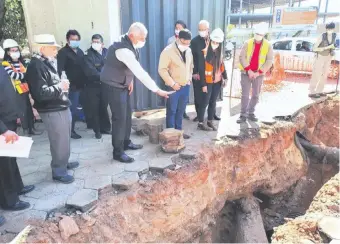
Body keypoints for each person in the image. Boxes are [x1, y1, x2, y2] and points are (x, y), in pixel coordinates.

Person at [100, 22, 171, 163]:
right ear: (131, 35)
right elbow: (140, 72)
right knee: (119, 119)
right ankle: (118, 152)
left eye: (145, 38)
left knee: (127, 115)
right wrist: (157, 90)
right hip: (113, 86)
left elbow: (127, 67)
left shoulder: (128, 42)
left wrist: (129, 80)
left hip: (123, 83)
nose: (143, 41)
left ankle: (126, 142)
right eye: (141, 38)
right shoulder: (123, 49)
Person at [26, 34, 79, 184]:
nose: (56, 51)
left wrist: (61, 84)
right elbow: (40, 93)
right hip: (51, 109)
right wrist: (60, 86)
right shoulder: (35, 66)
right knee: (58, 140)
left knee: (64, 139)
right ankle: (58, 171)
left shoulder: (46, 62)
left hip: (60, 105)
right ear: (42, 49)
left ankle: (63, 162)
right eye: (53, 48)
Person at [0, 53, 35, 211]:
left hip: (9, 120)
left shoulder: (2, 67)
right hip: (3, 127)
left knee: (11, 159)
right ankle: (9, 201)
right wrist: (3, 129)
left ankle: (17, 187)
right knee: (4, 165)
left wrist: (16, 116)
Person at [2, 39, 42, 136]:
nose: (15, 53)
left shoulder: (22, 62)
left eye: (17, 50)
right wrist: (24, 74)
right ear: (7, 52)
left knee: (29, 110)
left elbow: (26, 75)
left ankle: (32, 128)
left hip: (25, 89)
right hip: (16, 92)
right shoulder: (6, 64)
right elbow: (15, 76)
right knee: (22, 111)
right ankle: (26, 130)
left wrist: (24, 74)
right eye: (13, 51)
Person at [159, 29, 193, 138]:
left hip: (185, 86)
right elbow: (162, 70)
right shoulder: (167, 51)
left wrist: (189, 79)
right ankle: (171, 135)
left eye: (188, 43)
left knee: (180, 111)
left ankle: (179, 133)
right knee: (172, 111)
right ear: (178, 38)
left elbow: (190, 66)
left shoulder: (188, 50)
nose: (186, 45)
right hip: (173, 87)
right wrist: (172, 83)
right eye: (184, 43)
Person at [238, 23, 273, 123]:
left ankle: (251, 112)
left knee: (256, 95)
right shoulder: (247, 43)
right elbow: (242, 57)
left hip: (259, 75)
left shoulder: (268, 45)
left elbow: (269, 60)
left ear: (263, 35)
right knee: (245, 95)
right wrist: (248, 70)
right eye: (257, 33)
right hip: (246, 73)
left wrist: (258, 73)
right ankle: (243, 114)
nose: (258, 35)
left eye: (260, 34)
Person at [57, 30, 86, 139]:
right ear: (67, 40)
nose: (75, 41)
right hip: (71, 87)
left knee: (79, 108)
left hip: (81, 85)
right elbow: (60, 70)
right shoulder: (63, 53)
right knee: (71, 109)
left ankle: (82, 123)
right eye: (72, 39)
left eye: (77, 39)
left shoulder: (80, 52)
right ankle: (70, 131)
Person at [197, 28, 227, 131]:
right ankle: (201, 123)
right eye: (214, 41)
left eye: (217, 42)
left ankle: (210, 121)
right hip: (208, 82)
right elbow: (201, 70)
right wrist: (203, 85)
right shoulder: (204, 52)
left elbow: (222, 66)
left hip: (217, 82)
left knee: (213, 102)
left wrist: (225, 77)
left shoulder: (220, 51)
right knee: (204, 102)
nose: (215, 43)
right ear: (210, 40)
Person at [82, 34, 111, 139]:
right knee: (94, 109)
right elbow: (90, 71)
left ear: (102, 44)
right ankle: (97, 131)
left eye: (97, 42)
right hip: (92, 86)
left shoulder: (107, 52)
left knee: (103, 107)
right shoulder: (88, 54)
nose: (95, 44)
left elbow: (111, 66)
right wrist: (105, 75)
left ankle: (106, 129)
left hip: (105, 85)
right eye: (94, 42)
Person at [190, 20, 220, 122]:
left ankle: (212, 114)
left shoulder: (213, 40)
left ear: (208, 29)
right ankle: (199, 116)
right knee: (198, 96)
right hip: (198, 74)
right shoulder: (194, 42)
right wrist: (194, 72)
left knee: (212, 96)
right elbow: (192, 58)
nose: (202, 31)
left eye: (204, 29)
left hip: (211, 75)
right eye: (200, 29)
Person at [167, 20, 190, 120]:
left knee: (182, 99)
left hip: (184, 76)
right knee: (172, 101)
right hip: (173, 76)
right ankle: (170, 122)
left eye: (180, 28)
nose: (177, 30)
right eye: (176, 28)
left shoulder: (188, 41)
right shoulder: (170, 40)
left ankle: (182, 113)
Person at [309, 22, 337, 98]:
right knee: (317, 74)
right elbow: (314, 48)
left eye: (331, 29)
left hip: (328, 57)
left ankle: (319, 91)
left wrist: (332, 50)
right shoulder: (322, 36)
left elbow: (332, 46)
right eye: (328, 29)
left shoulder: (334, 35)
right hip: (320, 56)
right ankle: (312, 91)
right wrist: (326, 48)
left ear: (333, 29)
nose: (329, 30)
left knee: (324, 75)